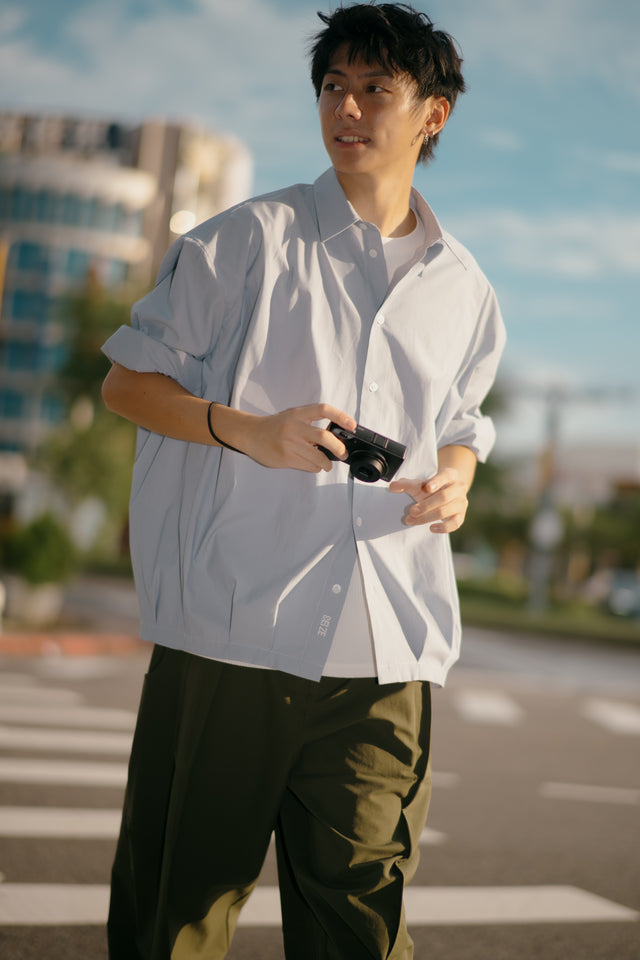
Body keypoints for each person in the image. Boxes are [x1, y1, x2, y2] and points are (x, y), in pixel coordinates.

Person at [101, 3, 505, 958]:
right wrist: (247, 431)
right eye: (334, 86)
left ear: (432, 114)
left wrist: (456, 478)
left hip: (387, 653)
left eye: (377, 89)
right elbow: (126, 382)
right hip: (232, 637)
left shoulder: (467, 287)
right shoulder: (244, 241)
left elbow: (460, 424)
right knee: (175, 922)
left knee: (362, 930)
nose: (349, 108)